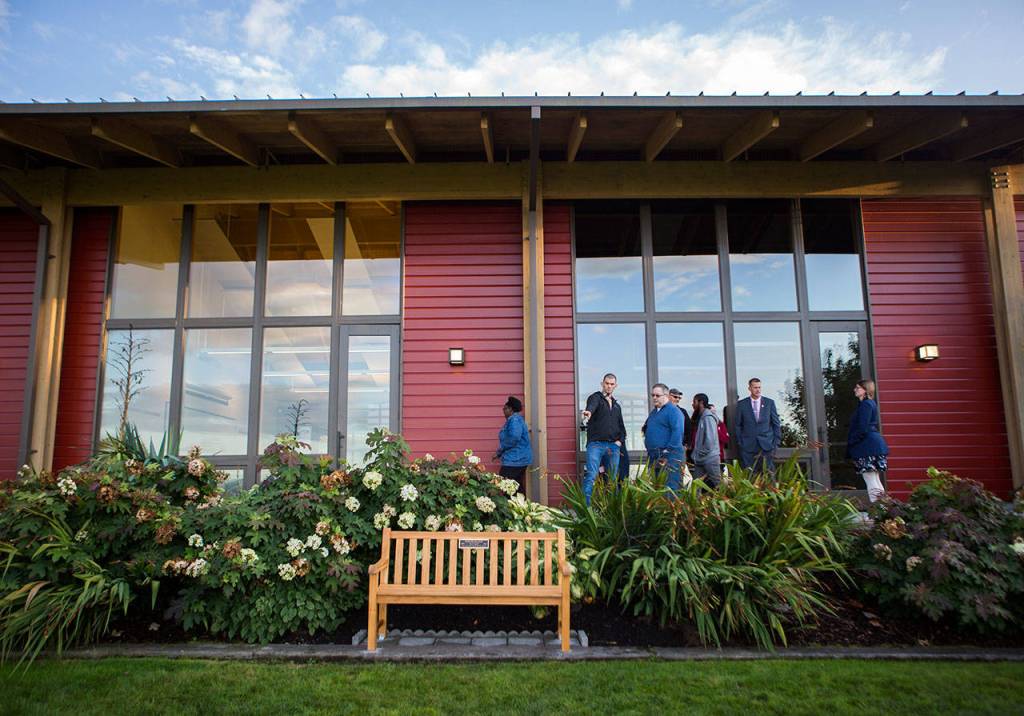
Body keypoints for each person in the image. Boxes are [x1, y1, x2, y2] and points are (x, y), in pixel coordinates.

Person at [581, 373, 626, 505]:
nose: (609, 386)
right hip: (596, 445)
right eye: (607, 383)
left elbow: (622, 428)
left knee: (612, 479)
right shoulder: (596, 398)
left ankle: (610, 511)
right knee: (592, 476)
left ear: (615, 386)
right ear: (602, 384)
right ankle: (586, 509)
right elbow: (592, 406)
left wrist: (619, 442)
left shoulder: (617, 406)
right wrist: (588, 412)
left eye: (612, 384)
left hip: (613, 447)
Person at [846, 378, 889, 502]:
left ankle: (878, 511)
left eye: (858, 387)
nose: (855, 390)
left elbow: (862, 427)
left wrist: (852, 441)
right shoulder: (869, 404)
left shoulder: (866, 405)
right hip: (873, 445)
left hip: (867, 446)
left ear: (865, 390)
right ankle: (883, 508)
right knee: (874, 478)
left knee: (870, 478)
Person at [644, 383, 685, 491]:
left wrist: (667, 451)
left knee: (671, 490)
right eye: (652, 395)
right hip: (654, 456)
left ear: (666, 395)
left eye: (657, 395)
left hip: (670, 456)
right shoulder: (654, 412)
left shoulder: (674, 411)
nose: (654, 398)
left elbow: (678, 431)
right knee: (657, 489)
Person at [734, 377, 781, 473]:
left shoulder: (769, 403)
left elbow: (776, 424)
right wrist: (740, 442)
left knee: (768, 475)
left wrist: (775, 443)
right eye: (755, 387)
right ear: (749, 388)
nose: (758, 390)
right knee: (750, 476)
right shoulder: (742, 404)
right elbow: (738, 425)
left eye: (759, 387)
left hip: (766, 446)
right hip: (748, 446)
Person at [492, 396, 532, 494]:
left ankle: (511, 508)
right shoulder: (515, 420)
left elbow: (513, 438)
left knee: (506, 486)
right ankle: (522, 507)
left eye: (505, 408)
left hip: (515, 460)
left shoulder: (514, 420)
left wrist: (499, 452)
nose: (503, 411)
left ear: (510, 409)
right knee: (516, 488)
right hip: (518, 459)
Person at [690, 393, 721, 487]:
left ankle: (729, 500)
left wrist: (701, 452)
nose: (693, 404)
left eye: (694, 402)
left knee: (718, 484)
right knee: (696, 485)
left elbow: (710, 440)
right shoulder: (702, 417)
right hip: (700, 459)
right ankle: (697, 501)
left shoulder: (708, 418)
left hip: (710, 458)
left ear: (701, 402)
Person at [668, 388, 693, 461]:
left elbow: (689, 429)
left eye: (679, 398)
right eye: (675, 397)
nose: (678, 400)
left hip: (678, 448)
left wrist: (686, 445)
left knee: (677, 470)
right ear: (667, 396)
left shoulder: (682, 412)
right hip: (663, 449)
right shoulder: (659, 412)